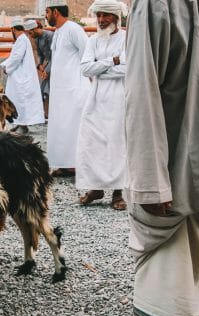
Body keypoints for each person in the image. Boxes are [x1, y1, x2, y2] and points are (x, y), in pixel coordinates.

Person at [125, 0, 199, 316]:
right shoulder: (153, 4)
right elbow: (141, 89)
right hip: (171, 170)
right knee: (162, 281)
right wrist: (151, 181)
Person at [75, 0, 128, 211]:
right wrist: (112, 61)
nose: (101, 20)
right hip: (95, 98)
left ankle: (119, 191)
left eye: (106, 15)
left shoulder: (127, 39)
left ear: (116, 17)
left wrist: (102, 67)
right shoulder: (93, 40)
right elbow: (86, 69)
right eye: (98, 15)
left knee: (118, 143)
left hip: (120, 97)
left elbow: (129, 69)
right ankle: (96, 188)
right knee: (92, 141)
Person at [44, 0, 90, 178]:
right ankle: (65, 164)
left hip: (73, 88)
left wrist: (83, 82)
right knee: (60, 126)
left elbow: (86, 53)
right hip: (60, 89)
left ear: (55, 12)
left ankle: (75, 165)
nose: (46, 16)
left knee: (72, 126)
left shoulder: (73, 29)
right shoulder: (58, 32)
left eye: (47, 12)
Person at [0, 17, 45, 134]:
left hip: (22, 79)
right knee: (18, 100)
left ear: (13, 29)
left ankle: (23, 124)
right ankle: (20, 124)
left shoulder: (21, 40)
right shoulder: (23, 39)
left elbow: (16, 58)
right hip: (21, 76)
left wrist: (6, 68)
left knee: (21, 101)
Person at [25, 20, 53, 119]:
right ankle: (45, 113)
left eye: (30, 32)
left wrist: (47, 70)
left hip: (56, 64)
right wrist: (40, 66)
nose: (30, 35)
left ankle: (49, 114)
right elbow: (41, 55)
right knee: (42, 88)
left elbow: (55, 55)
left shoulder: (49, 36)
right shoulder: (37, 39)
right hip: (49, 64)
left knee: (47, 88)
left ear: (36, 28)